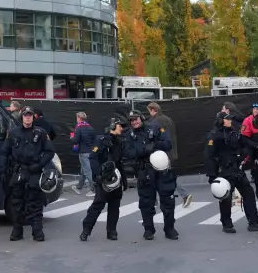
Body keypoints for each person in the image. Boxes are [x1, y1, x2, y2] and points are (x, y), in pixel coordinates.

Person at [205, 107, 258, 234]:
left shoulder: (234, 132)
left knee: (248, 194)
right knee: (226, 197)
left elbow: (245, 142)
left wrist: (254, 149)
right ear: (221, 121)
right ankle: (227, 224)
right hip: (225, 171)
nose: (230, 122)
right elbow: (209, 156)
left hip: (237, 169)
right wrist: (212, 175)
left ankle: (253, 222)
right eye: (227, 120)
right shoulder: (214, 135)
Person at [0, 106, 54, 242]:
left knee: (35, 202)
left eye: (30, 115)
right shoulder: (13, 133)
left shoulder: (40, 132)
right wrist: (2, 170)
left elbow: (49, 151)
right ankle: (17, 230)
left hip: (34, 171)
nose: (28, 117)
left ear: (33, 117)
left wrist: (40, 164)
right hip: (18, 171)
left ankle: (37, 232)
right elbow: (4, 152)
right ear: (22, 117)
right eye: (25, 115)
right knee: (17, 202)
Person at [126, 111, 178, 240]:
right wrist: (144, 150)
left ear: (141, 118)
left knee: (168, 200)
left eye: (136, 119)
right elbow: (128, 153)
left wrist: (155, 145)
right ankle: (149, 229)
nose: (134, 122)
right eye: (131, 120)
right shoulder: (129, 135)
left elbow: (168, 144)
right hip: (144, 171)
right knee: (146, 202)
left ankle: (169, 229)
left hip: (162, 170)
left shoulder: (154, 128)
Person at [80, 118, 127, 241]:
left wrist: (124, 180)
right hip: (103, 178)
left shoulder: (120, 141)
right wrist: (97, 175)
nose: (121, 128)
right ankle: (86, 230)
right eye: (119, 126)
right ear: (112, 126)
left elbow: (120, 162)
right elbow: (93, 158)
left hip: (116, 178)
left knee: (115, 205)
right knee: (98, 204)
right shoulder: (101, 140)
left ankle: (112, 231)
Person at [147, 102, 191, 207]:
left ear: (154, 110)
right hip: (170, 153)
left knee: (164, 177)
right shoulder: (168, 119)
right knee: (164, 176)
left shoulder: (155, 121)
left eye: (150, 111)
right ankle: (183, 195)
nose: (149, 113)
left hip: (162, 155)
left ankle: (184, 195)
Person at [70, 112, 97, 196]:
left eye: (77, 118)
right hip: (90, 151)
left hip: (83, 152)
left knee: (87, 171)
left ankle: (94, 189)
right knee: (84, 170)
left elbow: (75, 141)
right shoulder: (90, 127)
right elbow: (94, 140)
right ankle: (79, 186)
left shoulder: (78, 128)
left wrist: (71, 138)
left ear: (79, 118)